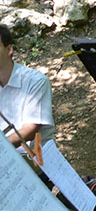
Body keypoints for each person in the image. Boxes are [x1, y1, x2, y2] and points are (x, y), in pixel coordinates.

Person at [0, 24, 54, 154]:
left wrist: (2, 147)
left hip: (36, 163)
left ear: (9, 50)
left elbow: (29, 131)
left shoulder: (36, 81)